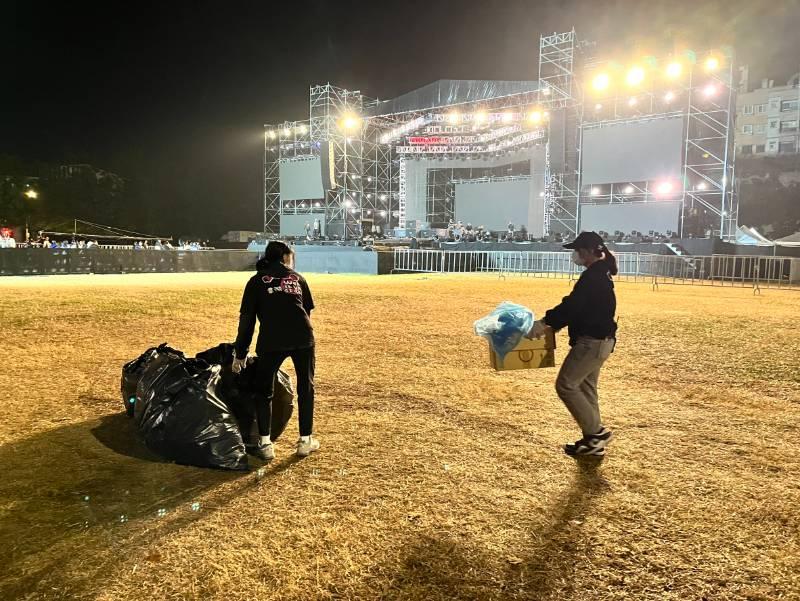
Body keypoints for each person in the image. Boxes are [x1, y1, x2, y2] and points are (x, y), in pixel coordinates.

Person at [528, 231, 618, 457]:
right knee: (586, 388)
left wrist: (546, 323)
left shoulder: (593, 277)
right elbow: (578, 307)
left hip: (592, 342)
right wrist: (552, 324)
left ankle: (596, 433)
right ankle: (593, 443)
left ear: (588, 251)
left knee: (566, 385)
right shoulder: (601, 273)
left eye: (578, 250)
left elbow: (573, 306)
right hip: (601, 342)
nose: (575, 255)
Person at [233, 240, 319, 460]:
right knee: (305, 388)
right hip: (303, 337)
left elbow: (247, 321)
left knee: (264, 391)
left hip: (272, 340)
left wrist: (240, 353)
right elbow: (306, 311)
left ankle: (265, 443)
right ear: (284, 257)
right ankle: (305, 440)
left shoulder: (255, 282)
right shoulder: (298, 279)